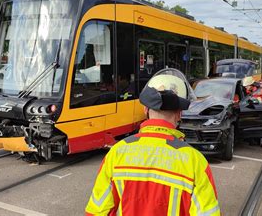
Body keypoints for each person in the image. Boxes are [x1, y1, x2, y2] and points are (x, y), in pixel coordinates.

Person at [85, 68, 220, 216]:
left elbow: (97, 212)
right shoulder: (195, 161)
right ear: (179, 113)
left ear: (145, 109)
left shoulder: (117, 153)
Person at [242, 76, 262, 147]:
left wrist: (259, 101)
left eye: (247, 86)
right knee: (255, 125)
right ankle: (255, 141)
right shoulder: (249, 91)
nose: (246, 88)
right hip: (255, 111)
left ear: (251, 85)